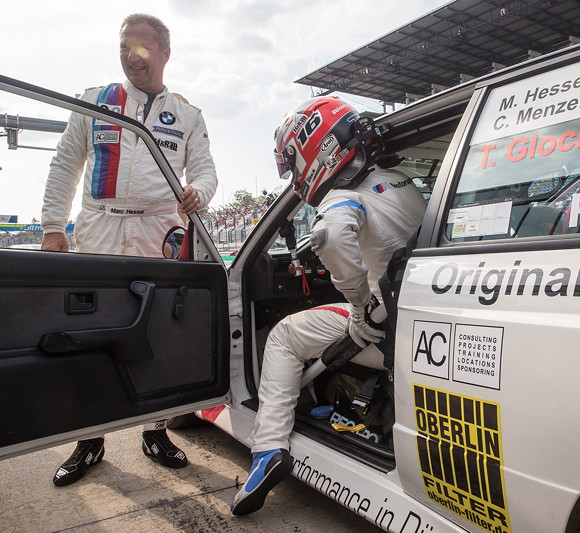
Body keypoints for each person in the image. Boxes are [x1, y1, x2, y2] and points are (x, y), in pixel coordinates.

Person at [41, 13, 218, 486]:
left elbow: (205, 173)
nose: (130, 56)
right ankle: (89, 439)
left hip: (158, 230)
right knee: (90, 334)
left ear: (164, 53)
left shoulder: (187, 114)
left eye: (140, 48)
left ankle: (154, 431)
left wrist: (198, 192)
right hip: (98, 229)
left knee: (154, 336)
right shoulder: (93, 101)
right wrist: (53, 226)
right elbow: (65, 166)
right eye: (123, 46)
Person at [230, 96, 427, 515]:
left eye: (293, 160)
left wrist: (358, 307)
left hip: (386, 333)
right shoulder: (402, 182)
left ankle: (267, 449)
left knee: (283, 335)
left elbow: (334, 239)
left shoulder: (341, 197)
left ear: (314, 148)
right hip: (418, 325)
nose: (295, 171)